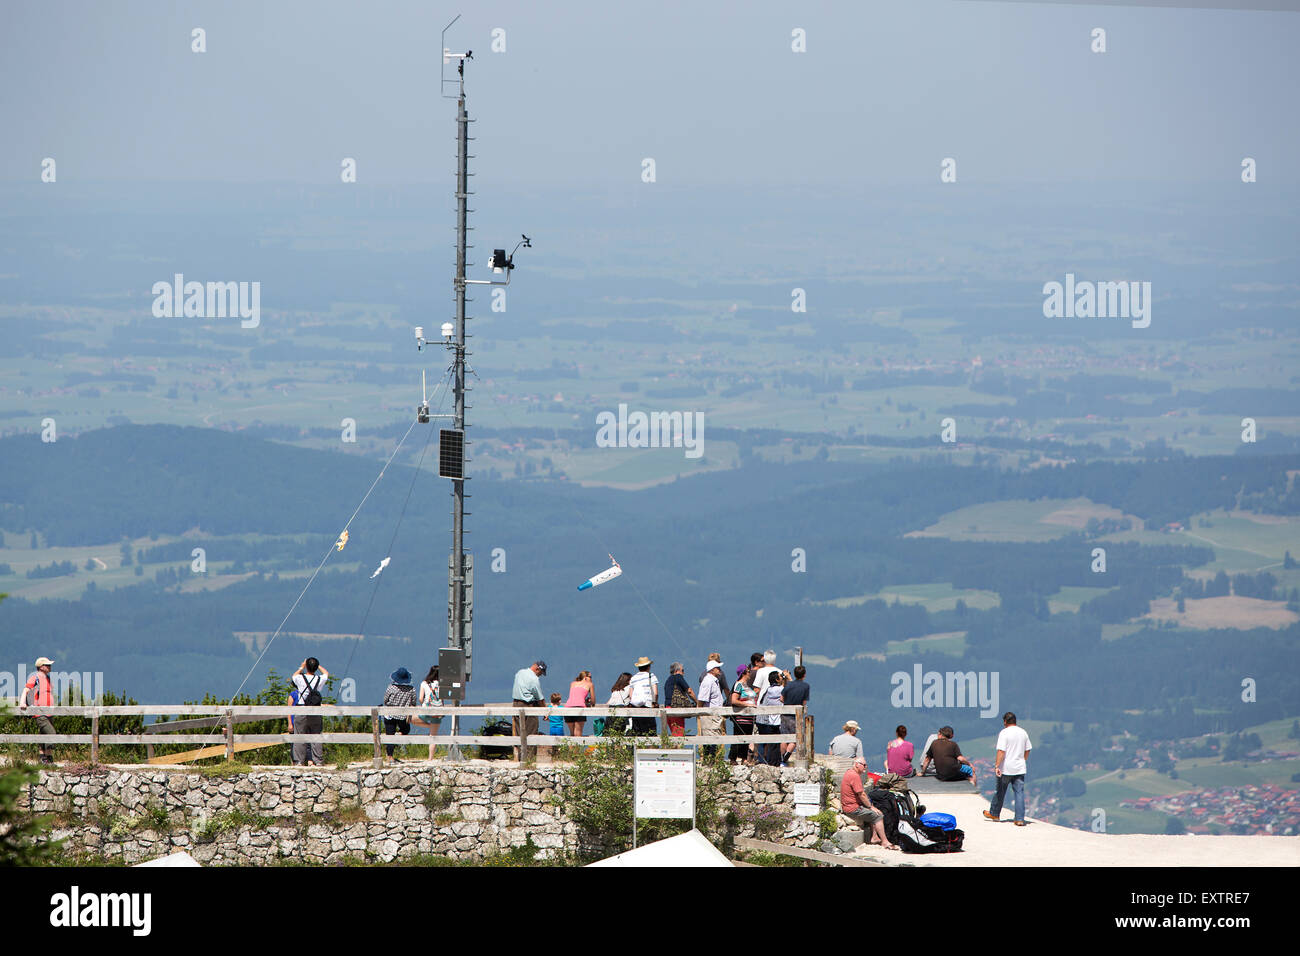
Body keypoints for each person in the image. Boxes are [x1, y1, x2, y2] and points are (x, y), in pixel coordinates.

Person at [985, 712, 1032, 826]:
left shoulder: (1004, 733)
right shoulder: (1023, 732)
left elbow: (1001, 751)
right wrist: (1023, 760)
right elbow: (1028, 749)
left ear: (1005, 721)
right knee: (1019, 793)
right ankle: (1019, 819)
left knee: (1000, 791)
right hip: (1019, 767)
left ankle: (995, 813)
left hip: (1006, 768)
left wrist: (997, 765)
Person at [841, 756, 898, 851]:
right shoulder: (855, 776)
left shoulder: (849, 773)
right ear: (856, 765)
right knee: (878, 815)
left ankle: (874, 837)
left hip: (849, 805)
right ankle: (885, 841)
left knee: (873, 810)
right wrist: (870, 807)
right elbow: (862, 794)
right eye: (864, 765)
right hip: (852, 808)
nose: (865, 767)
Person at [18, 656, 57, 765]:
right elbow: (26, 689)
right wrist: (22, 703)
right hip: (40, 713)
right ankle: (47, 758)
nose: (50, 667)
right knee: (51, 734)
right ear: (41, 667)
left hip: (49, 712)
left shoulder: (48, 678)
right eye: (47, 665)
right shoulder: (35, 678)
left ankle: (44, 758)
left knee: (43, 735)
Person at [291, 657, 329, 766]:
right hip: (315, 710)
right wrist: (318, 665)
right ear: (316, 668)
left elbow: (293, 676)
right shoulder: (319, 679)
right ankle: (318, 761)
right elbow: (326, 673)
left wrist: (302, 666)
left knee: (299, 736)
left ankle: (299, 761)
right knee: (316, 735)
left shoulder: (299, 678)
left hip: (302, 708)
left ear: (306, 667)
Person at [511, 660, 546, 761]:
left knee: (518, 731)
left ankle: (520, 757)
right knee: (531, 732)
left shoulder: (519, 673)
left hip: (516, 704)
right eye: (540, 673)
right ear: (537, 669)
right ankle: (529, 759)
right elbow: (540, 698)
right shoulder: (534, 679)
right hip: (529, 705)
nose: (540, 675)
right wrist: (545, 711)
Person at [381, 667, 416, 761]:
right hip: (403, 716)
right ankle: (398, 736)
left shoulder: (391, 687)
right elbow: (413, 702)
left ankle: (389, 756)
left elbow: (385, 700)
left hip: (390, 714)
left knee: (389, 734)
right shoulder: (411, 689)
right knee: (405, 730)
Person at [696, 658, 727, 758]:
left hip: (714, 715)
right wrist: (700, 712)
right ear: (712, 670)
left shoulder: (714, 681)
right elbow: (701, 699)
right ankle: (709, 760)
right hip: (709, 715)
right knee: (710, 739)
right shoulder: (708, 681)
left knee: (714, 738)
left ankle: (711, 759)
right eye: (718, 668)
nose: (719, 670)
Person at [779, 665, 810, 764]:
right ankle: (786, 755)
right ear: (804, 675)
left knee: (784, 736)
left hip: (785, 713)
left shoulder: (788, 685)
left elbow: (781, 698)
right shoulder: (806, 686)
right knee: (796, 737)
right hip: (796, 714)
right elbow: (804, 702)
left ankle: (781, 759)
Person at [729, 665, 758, 764]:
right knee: (738, 736)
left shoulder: (747, 685)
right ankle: (733, 758)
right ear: (744, 673)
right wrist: (746, 704)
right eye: (748, 671)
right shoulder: (739, 685)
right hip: (741, 716)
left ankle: (744, 758)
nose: (750, 673)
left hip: (749, 717)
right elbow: (734, 700)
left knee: (747, 736)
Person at [755, 669, 784, 766]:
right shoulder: (777, 690)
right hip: (768, 719)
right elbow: (788, 690)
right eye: (780, 676)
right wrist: (788, 677)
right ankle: (771, 762)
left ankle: (766, 761)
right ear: (776, 679)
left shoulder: (769, 689)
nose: (782, 677)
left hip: (763, 718)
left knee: (767, 741)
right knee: (772, 742)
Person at [415, 665, 442, 760]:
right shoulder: (442, 684)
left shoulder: (424, 683)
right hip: (438, 713)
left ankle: (429, 726)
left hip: (426, 711)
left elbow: (420, 698)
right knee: (433, 736)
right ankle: (430, 758)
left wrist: (423, 704)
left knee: (410, 718)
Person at [627, 656, 659, 736]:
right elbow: (655, 693)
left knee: (637, 732)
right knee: (650, 732)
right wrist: (654, 702)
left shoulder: (633, 678)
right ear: (648, 667)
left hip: (636, 708)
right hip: (647, 707)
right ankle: (650, 748)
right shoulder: (651, 676)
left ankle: (637, 748)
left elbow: (631, 695)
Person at [663, 662, 696, 737]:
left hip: (667, 709)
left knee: (674, 735)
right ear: (676, 671)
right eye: (682, 670)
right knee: (679, 736)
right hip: (675, 710)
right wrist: (697, 702)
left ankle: (672, 748)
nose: (683, 673)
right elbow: (689, 691)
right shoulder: (678, 677)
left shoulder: (668, 681)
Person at [564, 670, 595, 737]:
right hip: (579, 708)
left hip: (568, 707)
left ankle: (571, 747)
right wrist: (588, 702)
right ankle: (577, 748)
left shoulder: (573, 683)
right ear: (585, 677)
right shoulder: (590, 684)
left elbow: (574, 697)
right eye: (590, 677)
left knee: (572, 734)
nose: (591, 679)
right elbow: (593, 701)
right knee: (578, 732)